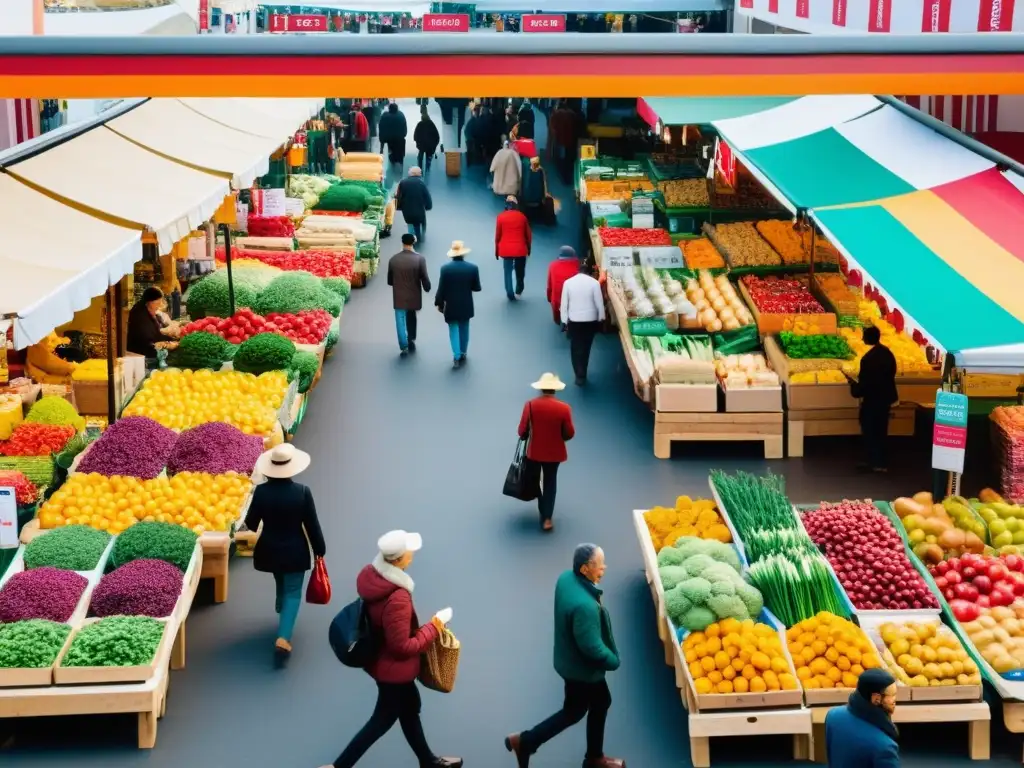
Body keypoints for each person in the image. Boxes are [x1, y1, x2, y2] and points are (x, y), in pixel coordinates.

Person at [324, 530, 461, 768]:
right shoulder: (397, 598)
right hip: (395, 671)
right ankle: (338, 766)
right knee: (382, 720)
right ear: (399, 560)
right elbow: (402, 647)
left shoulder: (373, 577)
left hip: (384, 665)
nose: (413, 554)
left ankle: (428, 761)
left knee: (409, 711)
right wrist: (435, 626)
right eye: (409, 551)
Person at [505, 544, 623, 767]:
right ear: (585, 569)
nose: (604, 568)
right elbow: (592, 647)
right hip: (583, 671)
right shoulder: (584, 607)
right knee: (578, 709)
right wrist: (613, 660)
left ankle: (529, 742)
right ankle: (528, 742)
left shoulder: (566, 579)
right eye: (600, 565)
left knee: (587, 706)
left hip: (567, 661)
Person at [244, 444, 326, 658]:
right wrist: (320, 549)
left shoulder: (261, 492)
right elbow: (312, 524)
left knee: (280, 578)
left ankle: (281, 608)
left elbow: (251, 524)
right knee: (293, 591)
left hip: (268, 549)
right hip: (295, 550)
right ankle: (284, 636)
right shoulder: (302, 492)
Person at [517, 373, 575, 532]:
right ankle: (547, 517)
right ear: (555, 390)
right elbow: (569, 433)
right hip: (555, 453)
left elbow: (522, 430)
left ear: (541, 389)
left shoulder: (530, 405)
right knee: (550, 482)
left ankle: (537, 502)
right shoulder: (564, 408)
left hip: (534, 451)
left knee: (535, 479)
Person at [825, 668, 899, 768]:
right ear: (876, 699)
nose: (894, 700)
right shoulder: (884, 747)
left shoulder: (833, 715)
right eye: (892, 695)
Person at [850, 325, 898, 473]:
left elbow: (865, 383)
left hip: (872, 400)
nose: (862, 338)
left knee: (870, 430)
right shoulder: (888, 353)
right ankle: (881, 463)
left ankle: (874, 462)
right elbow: (891, 374)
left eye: (864, 336)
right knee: (881, 430)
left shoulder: (867, 359)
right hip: (885, 399)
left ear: (868, 338)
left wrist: (853, 386)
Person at [435, 241, 481, 369]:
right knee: (464, 327)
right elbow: (477, 288)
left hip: (451, 304)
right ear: (463, 254)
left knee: (453, 329)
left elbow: (441, 288)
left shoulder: (445, 269)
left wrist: (438, 302)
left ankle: (456, 356)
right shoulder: (473, 268)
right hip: (466, 304)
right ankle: (463, 352)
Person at [560, 261, 606, 386]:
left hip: (574, 320)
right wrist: (601, 318)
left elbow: (564, 304)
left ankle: (578, 374)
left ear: (578, 271)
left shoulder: (568, 283)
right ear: (589, 272)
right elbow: (599, 304)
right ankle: (583, 372)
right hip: (590, 321)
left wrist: (564, 321)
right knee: (586, 347)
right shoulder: (594, 283)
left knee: (575, 348)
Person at [387, 233, 431, 357]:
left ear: (402, 243)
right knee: (411, 315)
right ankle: (411, 337)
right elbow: (424, 277)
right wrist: (427, 287)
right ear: (413, 243)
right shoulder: (419, 259)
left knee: (400, 319)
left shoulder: (394, 259)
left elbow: (390, 281)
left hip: (399, 295)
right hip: (413, 294)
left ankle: (403, 345)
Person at [495, 196, 532, 301]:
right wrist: (528, 249)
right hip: (520, 249)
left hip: (506, 250)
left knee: (507, 271)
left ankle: (509, 292)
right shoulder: (522, 217)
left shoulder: (500, 217)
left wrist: (497, 251)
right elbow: (528, 235)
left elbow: (498, 236)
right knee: (520, 270)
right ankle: (519, 289)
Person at [126, 287, 179, 359]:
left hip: (148, 351)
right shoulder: (140, 315)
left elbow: (156, 333)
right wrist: (168, 342)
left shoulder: (148, 311)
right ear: (151, 302)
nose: (159, 306)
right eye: (158, 303)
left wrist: (173, 340)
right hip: (140, 355)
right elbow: (147, 340)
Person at [395, 167, 433, 243]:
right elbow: (427, 196)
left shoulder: (403, 182)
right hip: (419, 211)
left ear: (410, 173)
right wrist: (428, 206)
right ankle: (419, 237)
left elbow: (398, 196)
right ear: (419, 174)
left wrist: (398, 206)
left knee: (410, 223)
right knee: (418, 223)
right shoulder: (421, 183)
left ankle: (411, 239)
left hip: (407, 211)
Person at [547, 246, 581, 326]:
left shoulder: (552, 265)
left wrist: (549, 298)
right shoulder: (578, 265)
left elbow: (549, 285)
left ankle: (558, 321)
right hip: (574, 298)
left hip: (558, 299)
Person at [519, 156, 549, 221]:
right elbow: (544, 184)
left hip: (527, 200)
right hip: (537, 200)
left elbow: (522, 184)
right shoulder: (541, 171)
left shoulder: (527, 171)